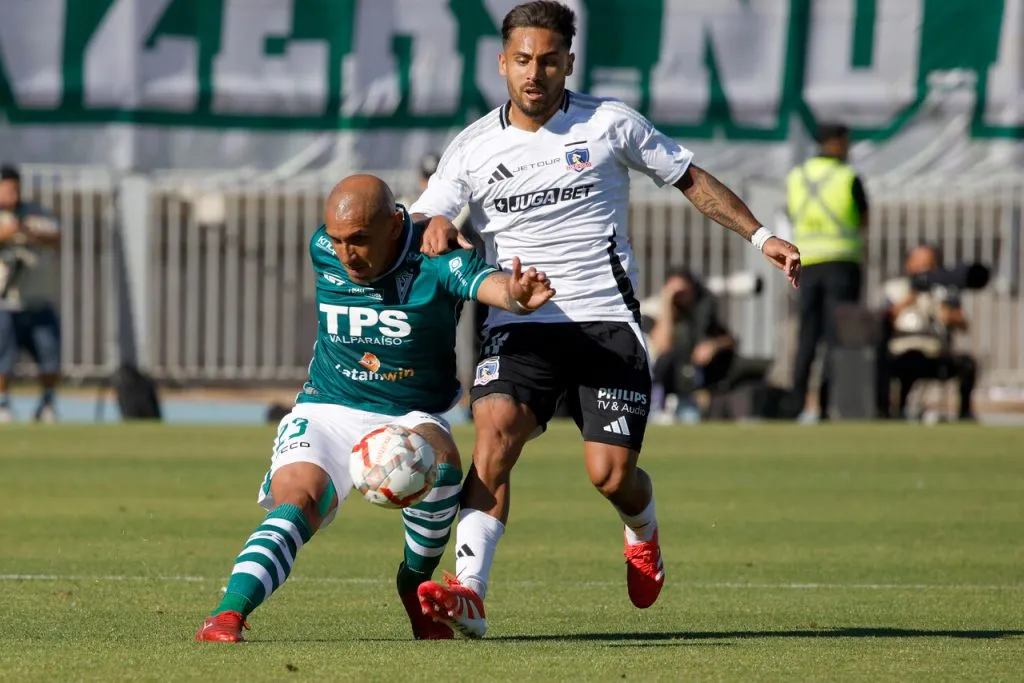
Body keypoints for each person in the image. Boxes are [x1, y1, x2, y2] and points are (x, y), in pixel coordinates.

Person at [408, 0, 800, 639]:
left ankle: (643, 531)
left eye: (549, 60)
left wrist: (762, 238)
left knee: (609, 475)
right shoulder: (473, 148)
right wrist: (440, 223)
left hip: (605, 324)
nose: (535, 73)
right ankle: (469, 591)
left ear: (569, 61)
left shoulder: (610, 124)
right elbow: (429, 218)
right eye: (523, 60)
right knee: (494, 433)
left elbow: (690, 178)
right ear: (503, 62)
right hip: (519, 322)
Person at [194, 175, 555, 642]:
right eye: (338, 240)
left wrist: (517, 295)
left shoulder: (437, 259)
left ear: (393, 224)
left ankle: (413, 580)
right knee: (297, 503)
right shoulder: (323, 249)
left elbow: (490, 285)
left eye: (359, 240)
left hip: (409, 414)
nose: (346, 254)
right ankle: (227, 616)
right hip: (326, 408)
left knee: (442, 463)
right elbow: (349, 237)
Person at [786, 122, 869, 422]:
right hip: (841, 261)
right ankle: (826, 404)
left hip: (805, 262)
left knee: (806, 334)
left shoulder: (797, 176)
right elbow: (862, 218)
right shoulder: (847, 176)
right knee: (837, 337)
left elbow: (791, 212)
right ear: (835, 142)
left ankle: (795, 404)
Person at [882, 245, 976, 421]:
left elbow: (963, 324)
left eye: (930, 264)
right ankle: (894, 412)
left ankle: (965, 413)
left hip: (935, 351)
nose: (924, 269)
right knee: (897, 362)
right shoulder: (895, 288)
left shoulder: (944, 290)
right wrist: (908, 300)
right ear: (909, 264)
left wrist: (945, 311)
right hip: (903, 350)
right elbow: (884, 321)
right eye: (920, 263)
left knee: (967, 364)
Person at [0, 164, 62, 423]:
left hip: (38, 300)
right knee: (3, 357)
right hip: (6, 302)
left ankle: (47, 403)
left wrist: (27, 231)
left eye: (14, 187)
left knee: (50, 355)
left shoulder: (35, 213)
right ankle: (3, 405)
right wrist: (9, 232)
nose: (12, 193)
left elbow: (55, 235)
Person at [648, 267, 735, 421]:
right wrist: (668, 302)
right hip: (662, 390)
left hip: (692, 390)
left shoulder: (700, 314)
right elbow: (663, 346)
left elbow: (730, 340)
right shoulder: (654, 311)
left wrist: (713, 345)